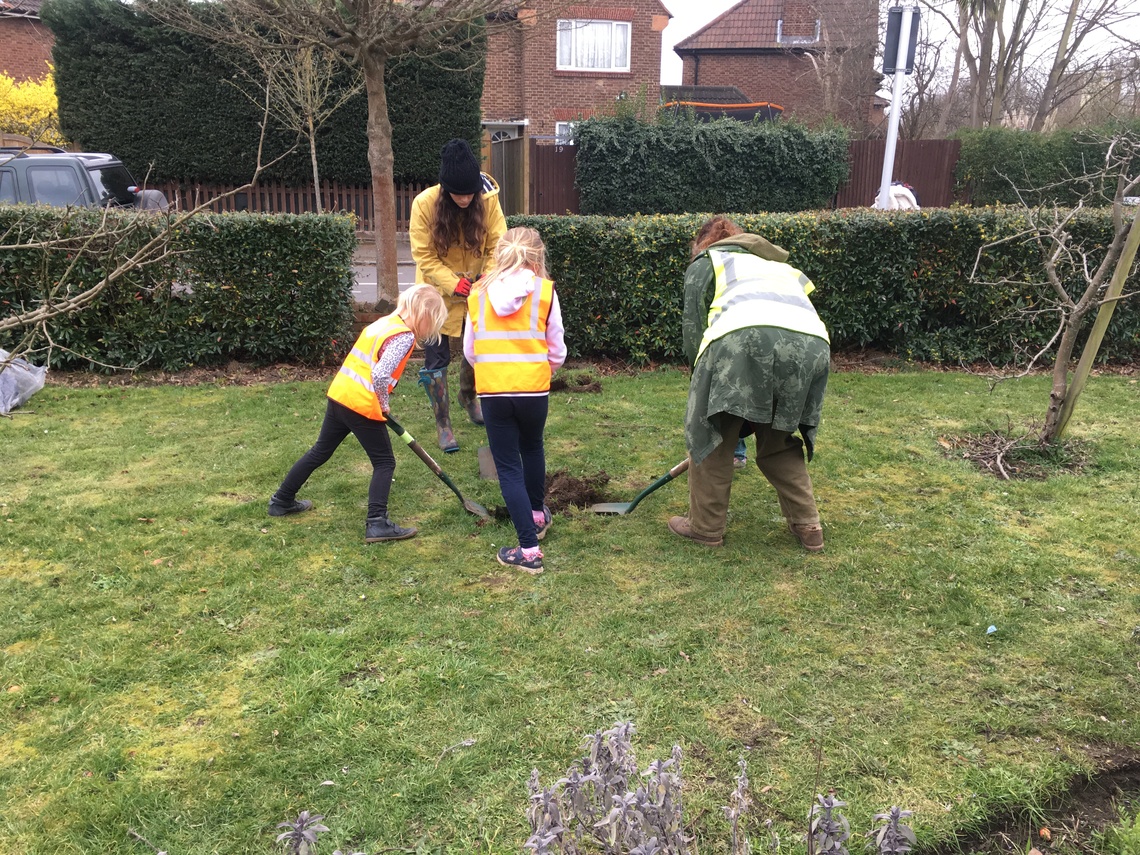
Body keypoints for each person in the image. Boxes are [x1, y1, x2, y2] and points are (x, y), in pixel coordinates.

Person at [669, 216, 831, 552]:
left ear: (701, 243)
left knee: (713, 436)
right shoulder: (782, 268)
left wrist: (704, 392)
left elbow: (693, 330)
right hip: (812, 345)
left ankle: (705, 527)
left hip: (743, 340)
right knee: (779, 438)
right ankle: (808, 524)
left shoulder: (707, 262)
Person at [267, 285, 448, 544]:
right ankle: (377, 524)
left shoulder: (384, 323)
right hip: (362, 403)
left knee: (320, 451)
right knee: (385, 462)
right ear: (424, 314)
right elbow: (380, 374)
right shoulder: (403, 335)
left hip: (341, 394)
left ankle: (281, 500)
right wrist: (383, 403)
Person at [463, 227, 566, 573]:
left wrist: (492, 370)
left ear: (499, 254)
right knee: (533, 447)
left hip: (494, 391)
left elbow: (469, 350)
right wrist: (544, 370)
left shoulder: (477, 292)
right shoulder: (546, 292)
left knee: (507, 465)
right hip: (533, 389)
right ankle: (536, 515)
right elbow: (558, 349)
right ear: (538, 258)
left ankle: (528, 550)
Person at [410, 138, 508, 453]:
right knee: (436, 358)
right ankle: (443, 425)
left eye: (470, 192)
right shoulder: (424, 205)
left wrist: (486, 277)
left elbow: (498, 244)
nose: (465, 198)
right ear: (445, 189)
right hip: (435, 294)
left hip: (478, 290)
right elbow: (424, 257)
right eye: (458, 193)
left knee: (474, 350)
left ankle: (469, 397)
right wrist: (454, 284)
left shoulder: (488, 200)